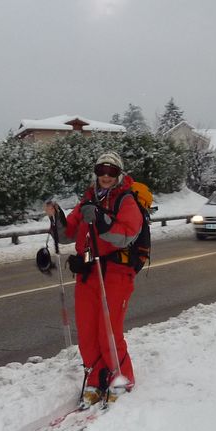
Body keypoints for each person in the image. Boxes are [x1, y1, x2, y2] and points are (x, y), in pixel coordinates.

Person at [45, 151, 142, 408]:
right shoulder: (88, 198)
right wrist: (57, 218)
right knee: (87, 331)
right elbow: (68, 234)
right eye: (102, 171)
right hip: (88, 272)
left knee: (107, 331)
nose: (106, 176)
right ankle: (97, 377)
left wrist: (101, 220)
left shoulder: (126, 200)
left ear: (118, 174)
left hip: (116, 273)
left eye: (111, 172)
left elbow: (127, 234)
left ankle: (121, 378)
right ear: (96, 173)